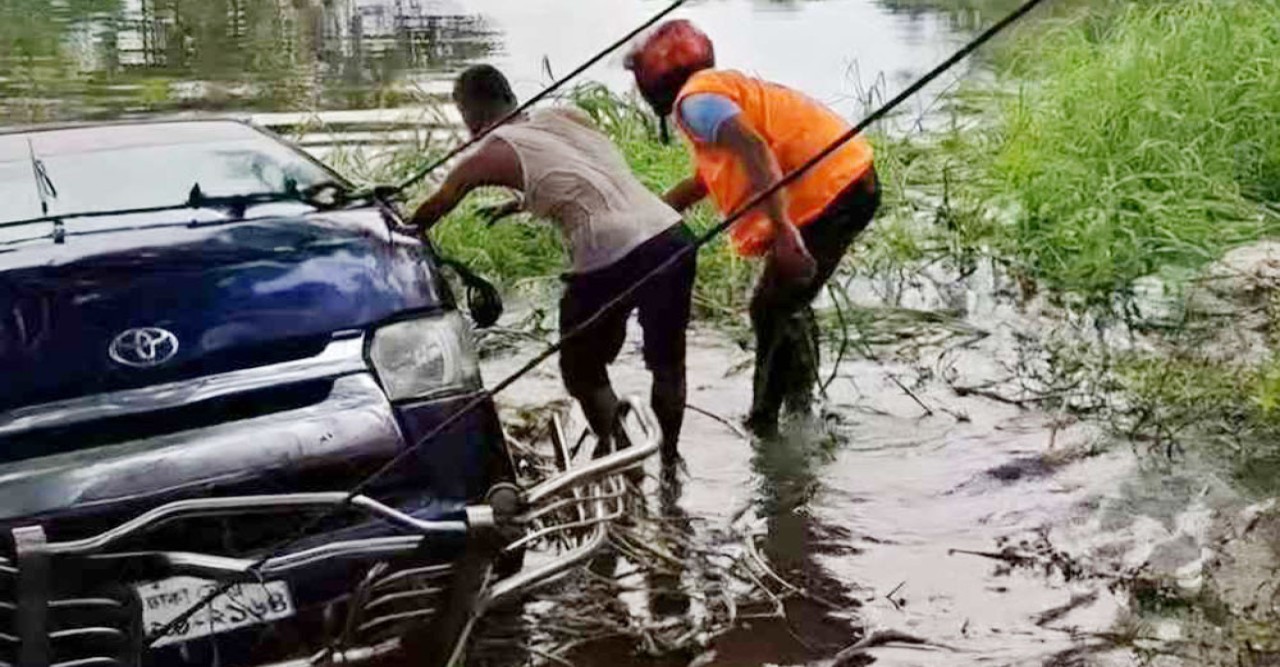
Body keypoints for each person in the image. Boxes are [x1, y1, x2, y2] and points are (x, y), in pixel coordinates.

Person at [409, 65, 696, 463]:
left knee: (580, 369)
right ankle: (670, 464)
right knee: (668, 364)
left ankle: (623, 460)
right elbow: (582, 174)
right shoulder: (566, 116)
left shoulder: (487, 153)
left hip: (611, 250)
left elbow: (433, 208)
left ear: (468, 113)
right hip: (670, 234)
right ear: (510, 95)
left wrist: (393, 227)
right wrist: (520, 203)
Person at [625, 20, 880, 436]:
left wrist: (783, 229)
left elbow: (755, 150)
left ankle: (766, 423)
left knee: (771, 307)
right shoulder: (714, 93)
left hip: (835, 189)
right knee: (789, 299)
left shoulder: (696, 103)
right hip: (849, 180)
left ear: (656, 82)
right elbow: (707, 179)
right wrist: (651, 217)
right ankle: (801, 409)